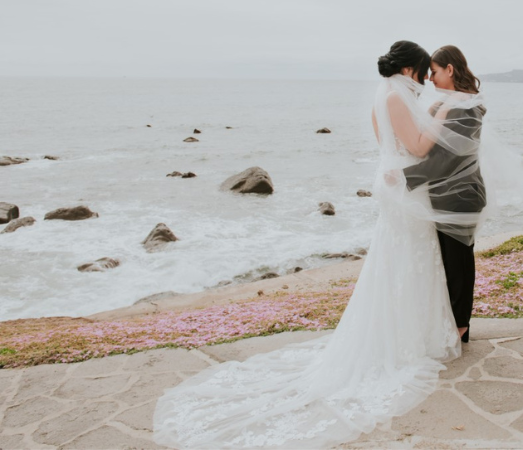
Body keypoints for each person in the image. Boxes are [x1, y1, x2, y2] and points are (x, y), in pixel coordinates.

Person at [153, 40, 462, 449]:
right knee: (407, 259)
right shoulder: (397, 99)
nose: (424, 79)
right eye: (423, 72)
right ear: (409, 70)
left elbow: (389, 150)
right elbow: (419, 148)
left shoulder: (381, 97)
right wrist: (443, 113)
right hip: (404, 192)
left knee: (397, 261)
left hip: (394, 187)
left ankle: (408, 334)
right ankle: (408, 341)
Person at [403, 45, 485, 343]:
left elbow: (449, 158)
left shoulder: (468, 107)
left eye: (435, 72)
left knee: (459, 262)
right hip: (443, 194)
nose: (430, 79)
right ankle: (451, 322)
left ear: (450, 69)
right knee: (447, 262)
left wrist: (404, 177)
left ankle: (461, 326)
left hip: (462, 195)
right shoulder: (446, 103)